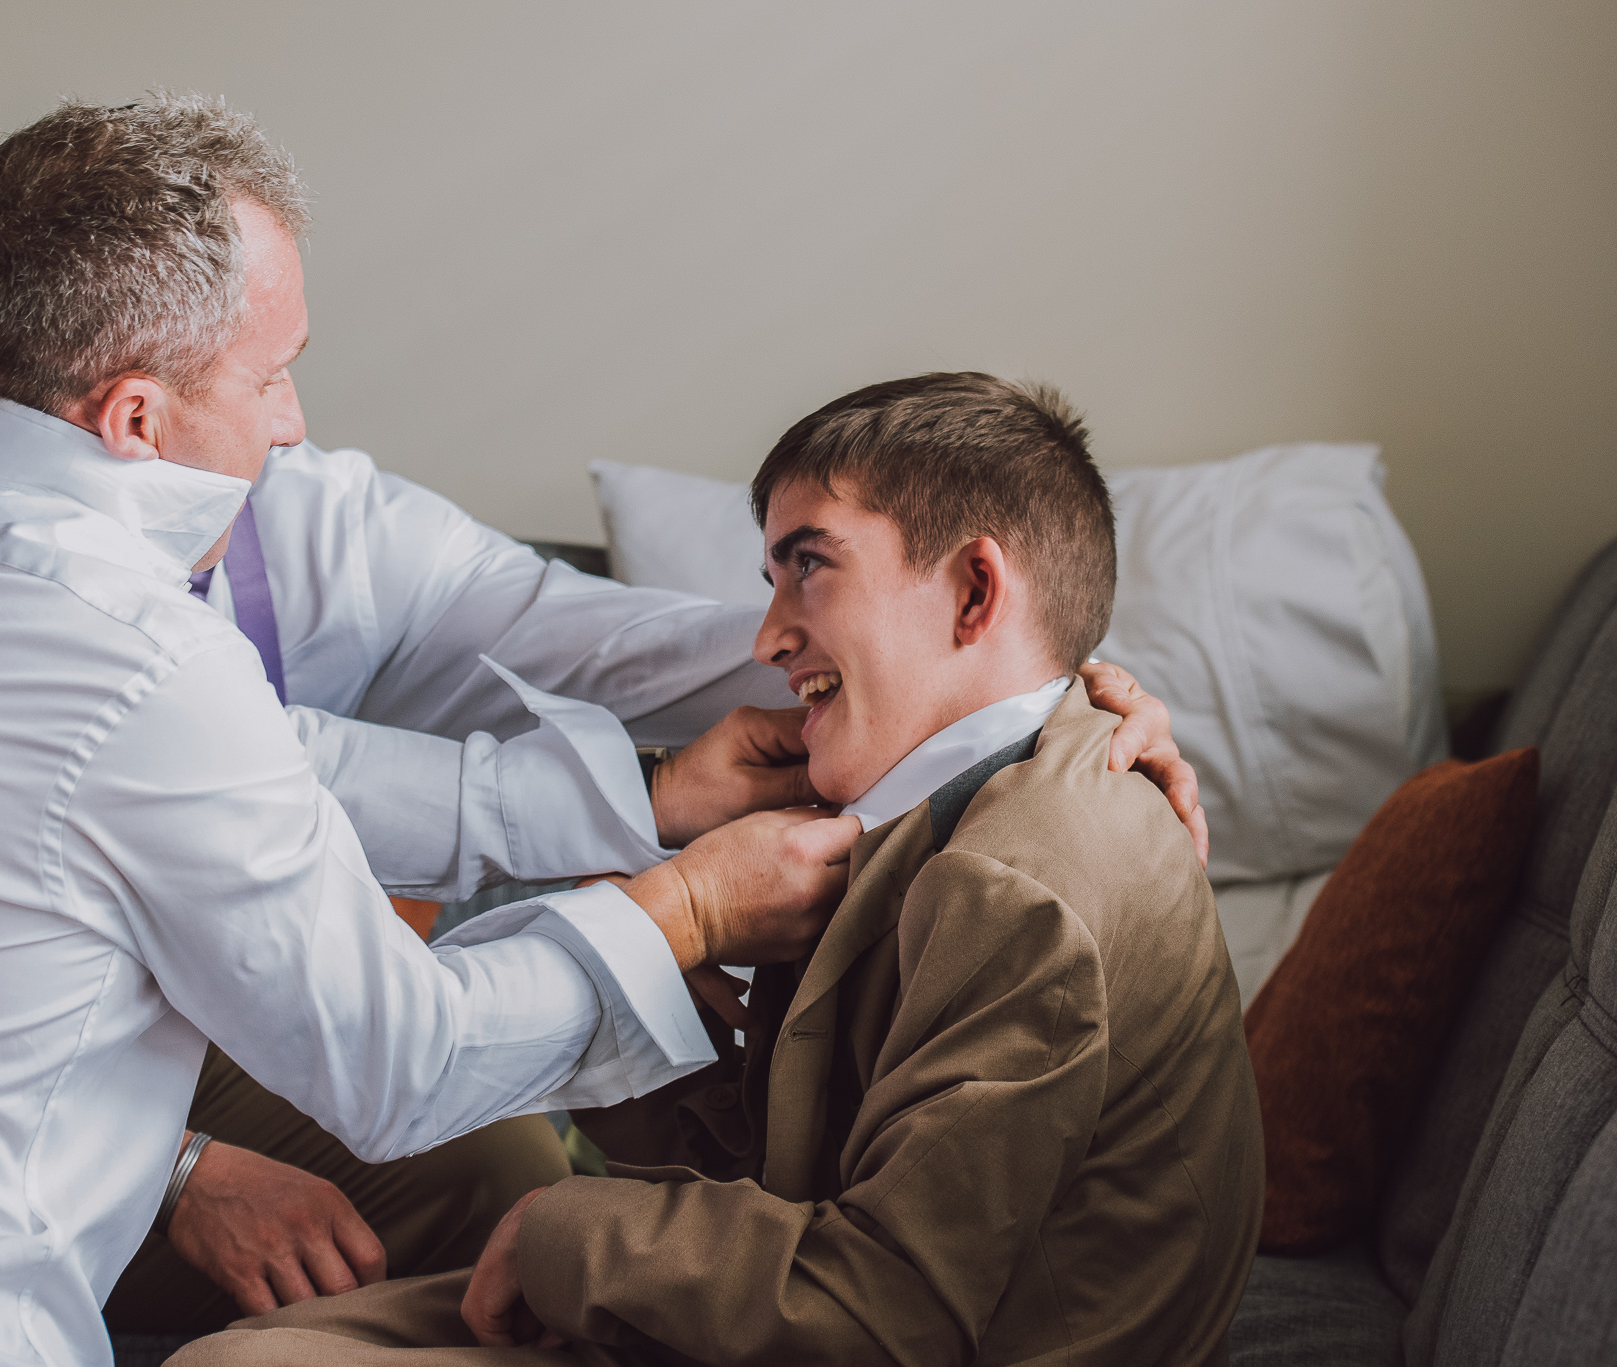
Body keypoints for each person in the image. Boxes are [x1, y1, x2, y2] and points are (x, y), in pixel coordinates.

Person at [0, 95, 1203, 1350]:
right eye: (275, 374)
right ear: (139, 415)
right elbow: (396, 1056)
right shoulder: (122, 650)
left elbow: (579, 639)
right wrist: (686, 897)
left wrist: (1018, 665)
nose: (300, 420)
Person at [169, 372, 1263, 1366]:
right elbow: (818, 1178)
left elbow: (886, 1309)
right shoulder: (924, 805)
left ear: (976, 593)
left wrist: (568, 1231)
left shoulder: (1007, 876)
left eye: (809, 565)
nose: (768, 636)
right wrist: (670, 1016)